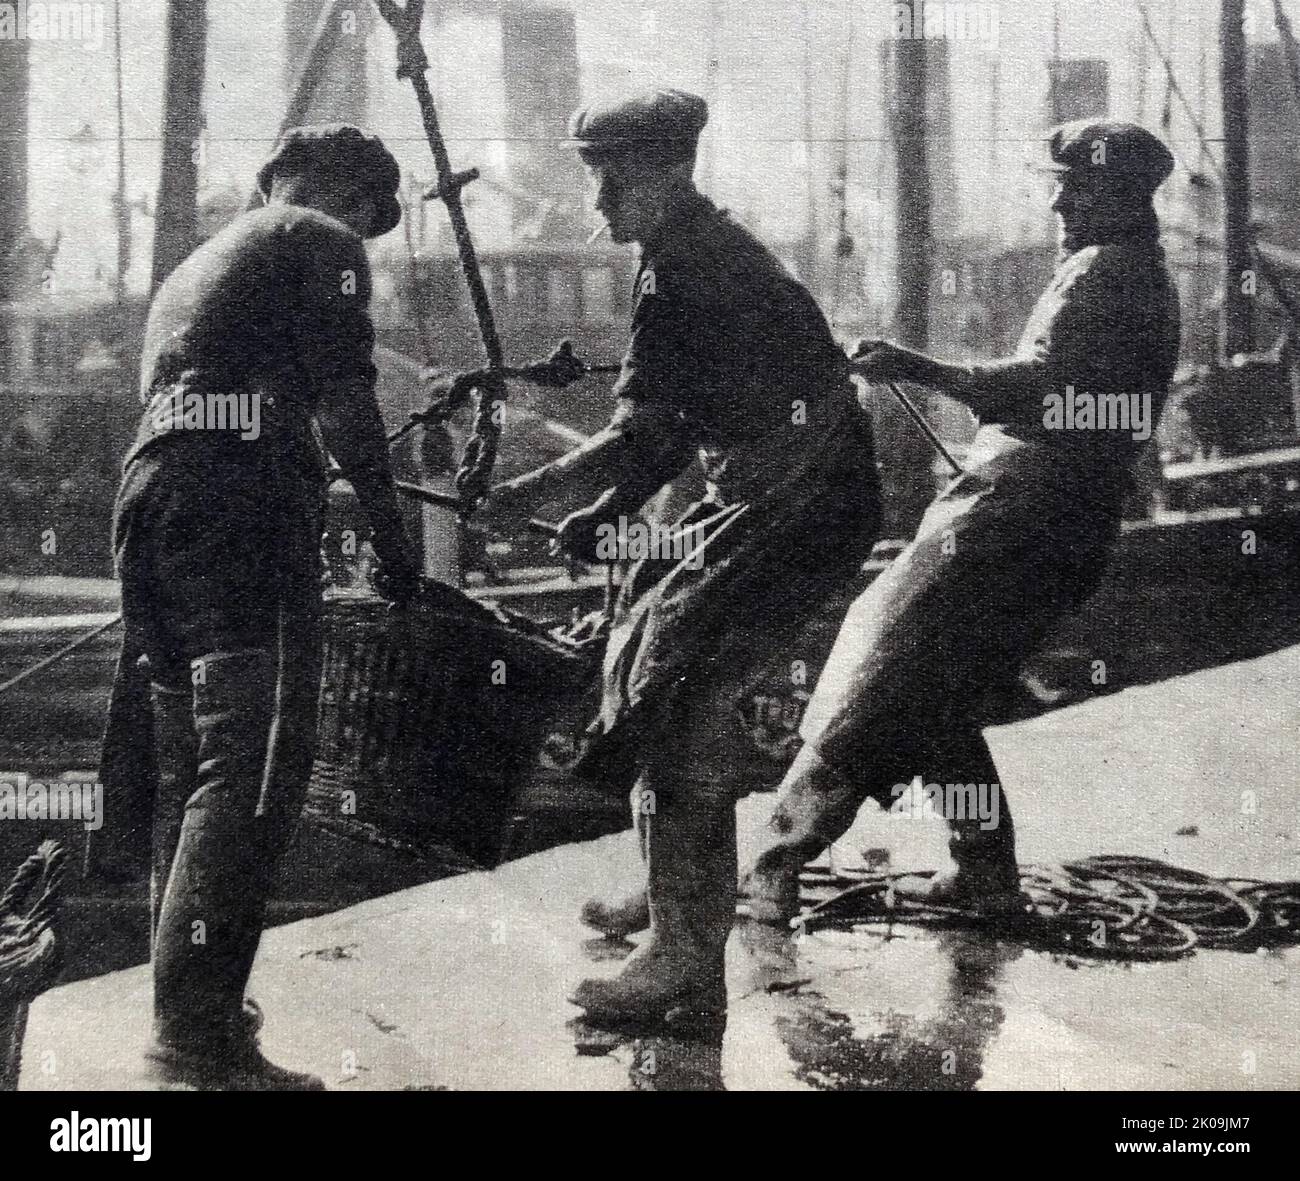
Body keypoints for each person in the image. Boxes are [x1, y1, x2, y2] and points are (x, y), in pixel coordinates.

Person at [480, 89, 881, 1029]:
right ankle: (674, 901)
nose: (599, 202)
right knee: (650, 650)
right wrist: (603, 513)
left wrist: (518, 497)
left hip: (799, 496)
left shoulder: (684, 269)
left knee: (675, 683)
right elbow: (664, 442)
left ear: (665, 171)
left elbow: (635, 435)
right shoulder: (697, 249)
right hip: (791, 487)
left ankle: (685, 954)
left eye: (611, 178)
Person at [741, 120, 1182, 923]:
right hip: (1058, 515)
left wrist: (914, 365)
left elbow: (1039, 389)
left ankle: (771, 865)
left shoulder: (1103, 274)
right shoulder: (1133, 270)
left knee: (885, 662)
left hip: (1019, 513)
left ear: (1119, 193)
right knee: (937, 693)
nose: (1056, 200)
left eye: (1074, 186)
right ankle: (984, 869)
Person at [103, 124, 420, 1089]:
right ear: (345, 193)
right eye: (370, 215)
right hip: (238, 510)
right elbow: (347, 407)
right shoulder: (320, 241)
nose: (363, 236)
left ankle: (185, 1013)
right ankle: (194, 1045)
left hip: (150, 505)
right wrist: (394, 537)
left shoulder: (200, 266)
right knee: (255, 766)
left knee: (186, 762)